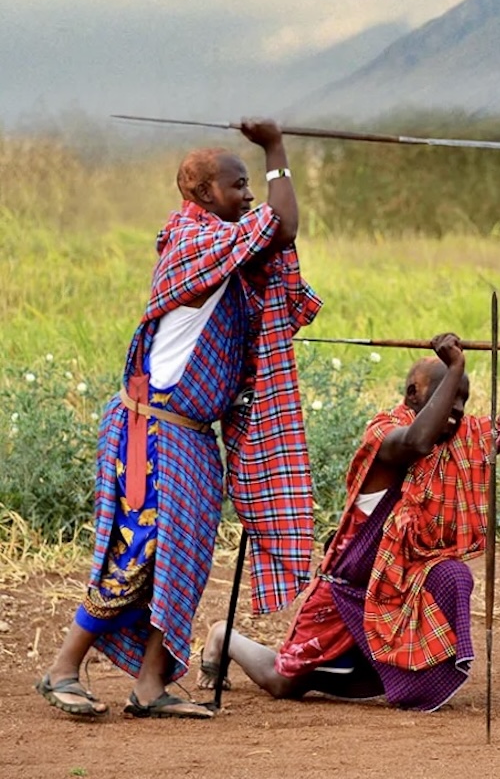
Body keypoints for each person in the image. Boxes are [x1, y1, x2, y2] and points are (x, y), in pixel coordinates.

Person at [36, 120, 321, 721]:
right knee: (137, 553)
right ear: (202, 195)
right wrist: (274, 150)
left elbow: (273, 245)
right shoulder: (194, 245)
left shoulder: (228, 256)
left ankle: (150, 685)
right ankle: (63, 667)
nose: (247, 196)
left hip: (191, 437)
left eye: (249, 186)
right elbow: (282, 223)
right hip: (153, 431)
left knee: (185, 561)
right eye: (237, 186)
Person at [197, 332, 500, 710]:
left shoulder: (467, 438)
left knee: (446, 581)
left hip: (405, 590)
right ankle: (226, 637)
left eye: (463, 399)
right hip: (350, 590)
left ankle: (410, 676)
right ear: (412, 396)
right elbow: (418, 442)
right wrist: (454, 368)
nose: (456, 409)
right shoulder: (386, 437)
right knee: (284, 683)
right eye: (446, 396)